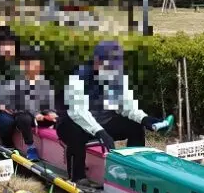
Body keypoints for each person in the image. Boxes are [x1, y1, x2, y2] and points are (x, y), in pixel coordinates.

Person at [56, 39, 171, 181]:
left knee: (135, 126)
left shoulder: (117, 75)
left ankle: (132, 171)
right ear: (97, 62)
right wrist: (100, 132)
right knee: (76, 132)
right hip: (73, 122)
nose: (113, 70)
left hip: (103, 121)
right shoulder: (79, 76)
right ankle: (77, 179)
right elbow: (78, 112)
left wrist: (144, 119)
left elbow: (125, 107)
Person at [0, 46, 56, 160]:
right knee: (22, 118)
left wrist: (51, 113)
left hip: (37, 116)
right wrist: (36, 114)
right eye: (33, 65)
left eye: (38, 65)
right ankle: (30, 147)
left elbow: (47, 103)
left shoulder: (44, 82)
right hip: (21, 113)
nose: (36, 68)